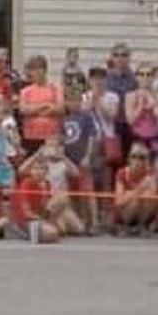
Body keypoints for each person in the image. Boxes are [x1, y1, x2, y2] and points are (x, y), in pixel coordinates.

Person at [62, 73, 98, 230]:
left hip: (82, 158)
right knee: (72, 190)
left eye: (77, 100)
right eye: (70, 100)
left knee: (87, 191)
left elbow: (91, 137)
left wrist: (88, 155)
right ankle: (80, 219)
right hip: (68, 159)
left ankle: (94, 221)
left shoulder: (86, 117)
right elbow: (60, 139)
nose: (74, 103)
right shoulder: (63, 119)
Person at [125, 64, 158, 189]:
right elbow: (130, 120)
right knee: (137, 179)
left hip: (156, 140)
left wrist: (154, 106)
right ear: (137, 77)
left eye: (148, 74)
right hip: (138, 141)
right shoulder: (130, 96)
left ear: (152, 78)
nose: (145, 77)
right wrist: (140, 105)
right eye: (142, 74)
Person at [18, 55, 64, 157]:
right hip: (31, 136)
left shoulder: (55, 89)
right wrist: (45, 105)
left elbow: (60, 109)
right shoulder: (25, 91)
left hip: (52, 137)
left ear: (45, 69)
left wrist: (34, 110)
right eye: (34, 69)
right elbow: (24, 110)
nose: (37, 72)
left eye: (40, 68)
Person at [8, 156, 60, 244]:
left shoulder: (47, 184)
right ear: (31, 171)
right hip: (26, 220)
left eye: (41, 169)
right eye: (35, 168)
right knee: (52, 233)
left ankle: (40, 231)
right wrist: (42, 220)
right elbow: (27, 213)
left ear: (46, 171)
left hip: (38, 217)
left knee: (61, 229)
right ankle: (23, 233)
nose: (38, 171)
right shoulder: (26, 184)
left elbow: (45, 207)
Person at [114, 143, 158, 234]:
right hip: (126, 212)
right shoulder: (122, 173)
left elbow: (152, 197)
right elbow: (119, 201)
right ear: (129, 158)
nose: (137, 160)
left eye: (142, 157)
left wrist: (132, 194)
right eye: (134, 156)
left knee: (147, 197)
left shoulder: (151, 173)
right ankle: (125, 226)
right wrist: (138, 190)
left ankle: (141, 226)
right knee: (134, 200)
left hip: (142, 213)